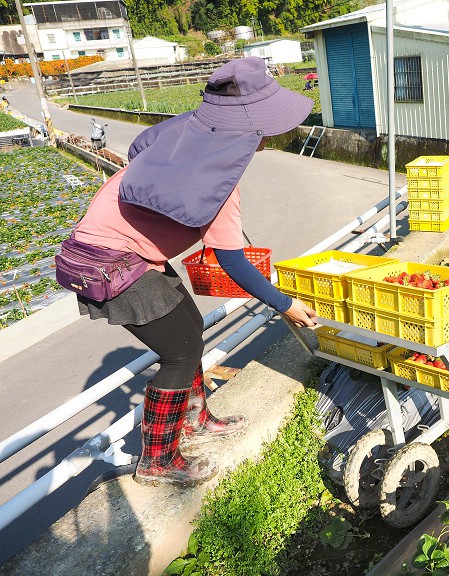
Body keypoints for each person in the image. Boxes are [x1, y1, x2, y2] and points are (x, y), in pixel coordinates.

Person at [71, 57, 317, 487]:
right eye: (265, 129)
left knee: (189, 331)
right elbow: (233, 260)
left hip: (122, 253)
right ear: (249, 131)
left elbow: (137, 151)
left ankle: (195, 420)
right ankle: (158, 461)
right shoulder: (218, 185)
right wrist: (285, 305)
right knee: (179, 356)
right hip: (109, 261)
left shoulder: (183, 136)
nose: (269, 137)